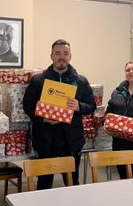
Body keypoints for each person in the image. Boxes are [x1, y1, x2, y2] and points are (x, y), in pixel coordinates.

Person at [23, 39, 96, 189]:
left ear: (70, 56)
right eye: (57, 53)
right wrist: (43, 118)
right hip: (45, 140)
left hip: (71, 141)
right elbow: (27, 106)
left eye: (65, 53)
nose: (61, 57)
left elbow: (92, 106)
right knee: (43, 183)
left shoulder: (81, 81)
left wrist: (78, 106)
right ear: (51, 56)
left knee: (72, 183)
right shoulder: (38, 80)